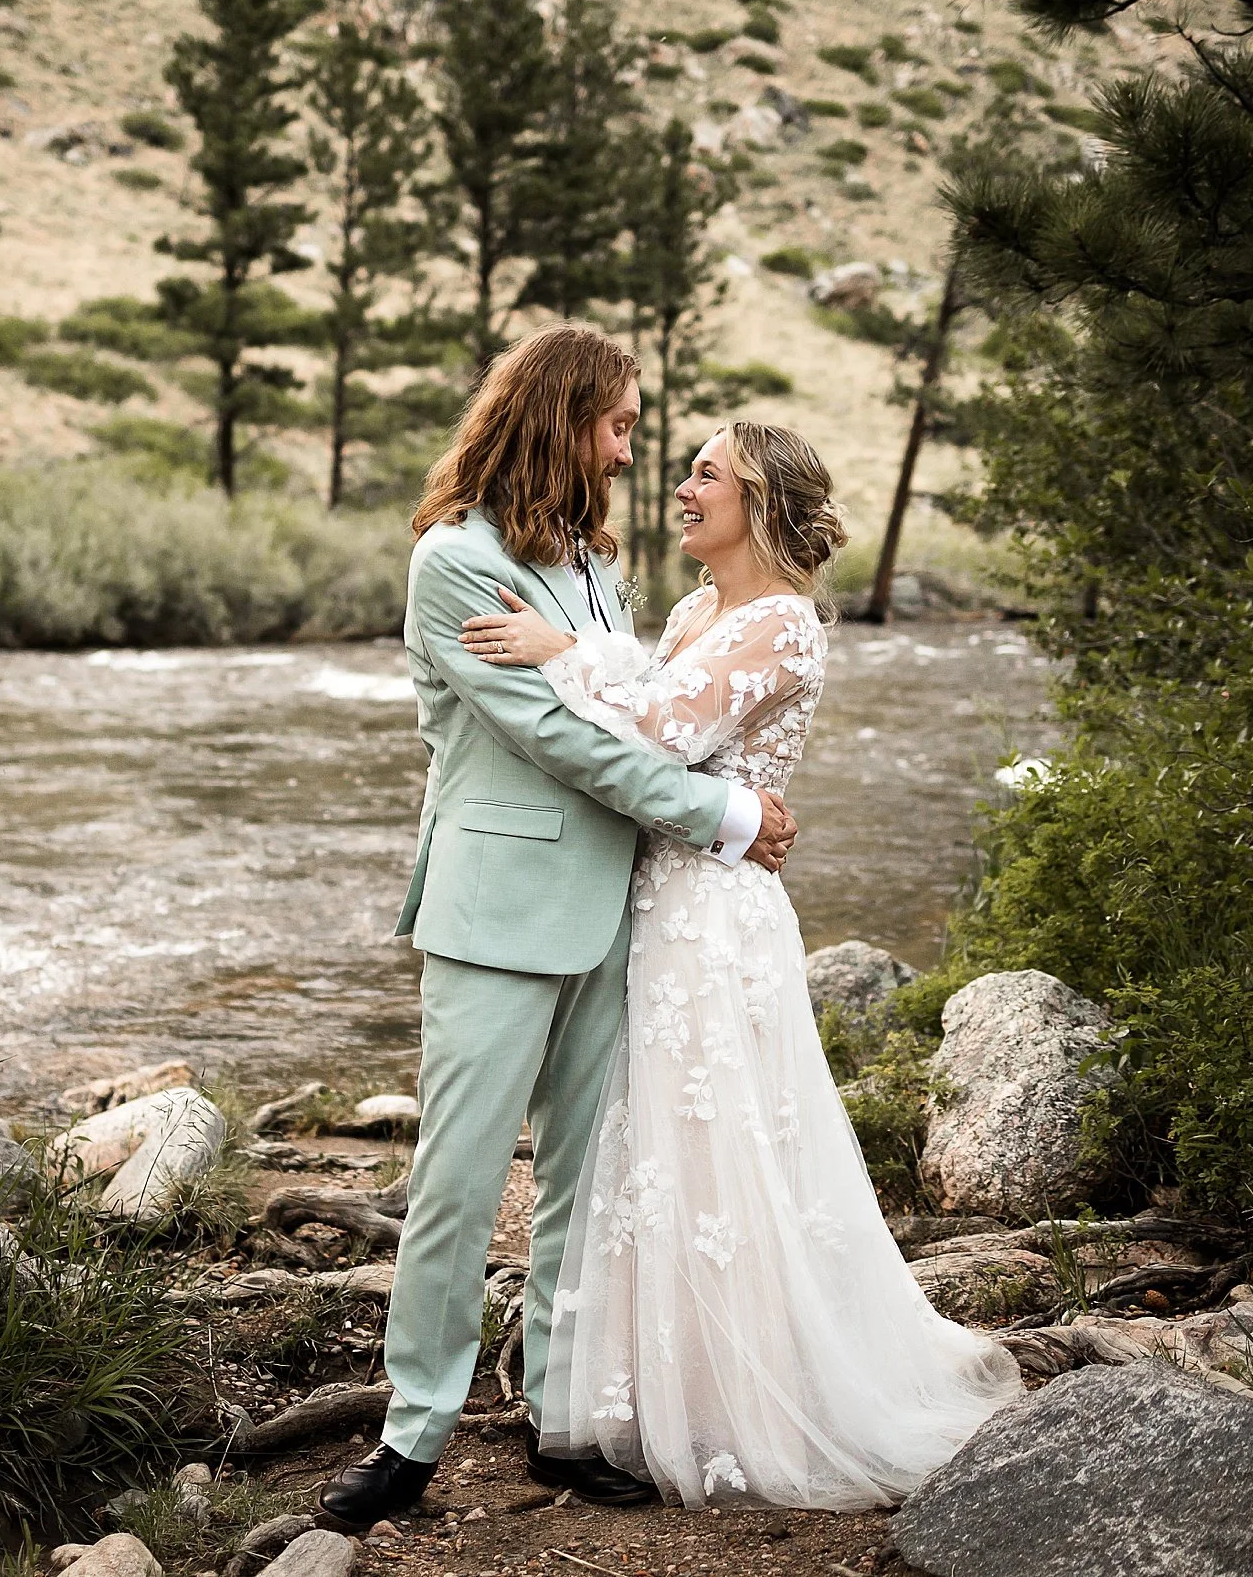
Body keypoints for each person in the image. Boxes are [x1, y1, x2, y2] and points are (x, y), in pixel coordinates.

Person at [456, 420, 1023, 1509]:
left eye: (705, 473)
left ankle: (739, 1399)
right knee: (636, 1144)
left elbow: (663, 728)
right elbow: (638, 724)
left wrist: (555, 650)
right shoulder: (688, 609)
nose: (679, 487)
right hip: (644, 895)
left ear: (759, 499)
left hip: (714, 915)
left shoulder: (787, 623)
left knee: (719, 1149)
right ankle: (629, 1386)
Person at [315, 326, 801, 1531]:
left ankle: (564, 1416)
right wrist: (728, 815)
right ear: (559, 417)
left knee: (588, 1176)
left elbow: (628, 700)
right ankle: (412, 1431)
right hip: (497, 906)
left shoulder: (588, 561)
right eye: (620, 425)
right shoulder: (453, 559)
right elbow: (563, 735)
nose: (633, 452)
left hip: (616, 906)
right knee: (458, 1178)